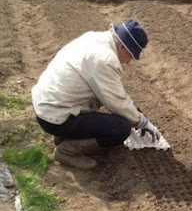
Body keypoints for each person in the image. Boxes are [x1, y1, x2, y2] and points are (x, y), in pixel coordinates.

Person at [31, 19, 160, 170]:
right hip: (55, 116)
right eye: (131, 56)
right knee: (120, 128)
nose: (129, 62)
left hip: (47, 107)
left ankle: (65, 135)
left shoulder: (93, 38)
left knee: (103, 115)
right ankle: (67, 151)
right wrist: (141, 122)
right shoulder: (105, 59)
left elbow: (112, 92)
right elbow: (116, 102)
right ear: (122, 46)